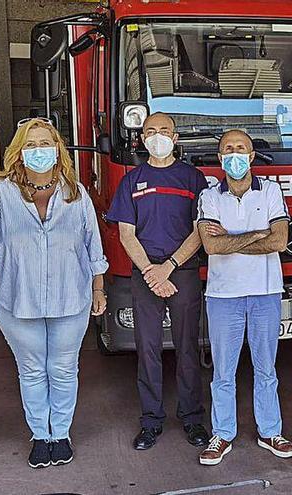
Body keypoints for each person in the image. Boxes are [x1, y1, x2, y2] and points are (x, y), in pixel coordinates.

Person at [0, 118, 108, 468]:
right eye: (31, 144)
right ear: (18, 152)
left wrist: (99, 287)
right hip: (16, 298)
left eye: (46, 142)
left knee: (63, 368)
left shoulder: (76, 192)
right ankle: (39, 436)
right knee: (30, 370)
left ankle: (61, 434)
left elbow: (93, 243)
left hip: (71, 297)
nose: (39, 150)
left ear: (58, 149)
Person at [105, 112, 210, 450]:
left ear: (176, 138)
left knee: (188, 348)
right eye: (151, 131)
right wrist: (153, 272)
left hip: (183, 273)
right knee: (147, 350)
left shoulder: (193, 179)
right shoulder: (132, 180)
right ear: (141, 138)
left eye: (165, 131)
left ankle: (193, 418)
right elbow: (126, 233)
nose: (158, 136)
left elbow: (200, 230)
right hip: (146, 273)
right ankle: (150, 421)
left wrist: (170, 266)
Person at [195, 129, 292, 465]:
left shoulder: (270, 192)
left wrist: (233, 237)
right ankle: (222, 435)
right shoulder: (209, 197)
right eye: (227, 149)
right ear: (220, 157)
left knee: (266, 368)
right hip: (223, 296)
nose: (234, 154)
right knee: (223, 371)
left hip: (265, 292)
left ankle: (271, 431)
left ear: (252, 156)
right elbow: (211, 246)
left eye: (241, 148)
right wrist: (258, 234)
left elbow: (280, 241)